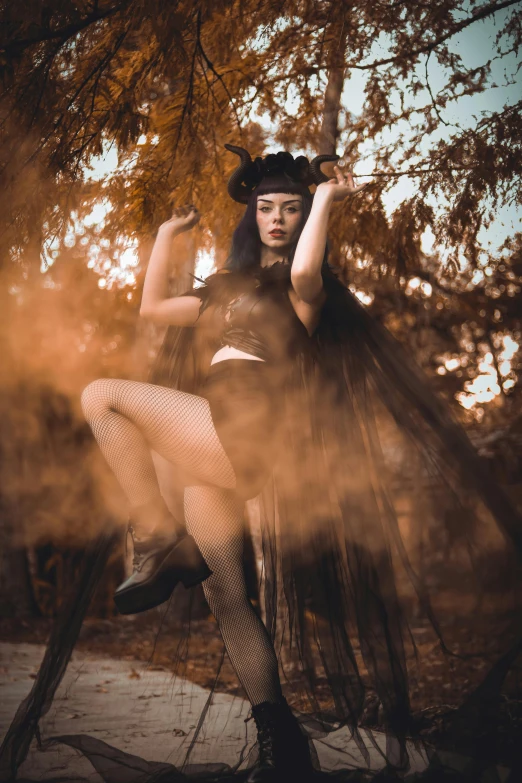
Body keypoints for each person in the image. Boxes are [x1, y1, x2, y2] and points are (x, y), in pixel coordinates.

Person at [2, 144, 522, 783]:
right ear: (250, 215)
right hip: (208, 440)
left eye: (291, 209)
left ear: (303, 218)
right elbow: (152, 312)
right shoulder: (223, 288)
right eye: (266, 207)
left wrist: (328, 196)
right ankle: (279, 742)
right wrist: (166, 235)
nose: (276, 218)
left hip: (244, 434)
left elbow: (306, 272)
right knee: (228, 599)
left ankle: (159, 534)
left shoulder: (305, 291)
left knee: (100, 395)